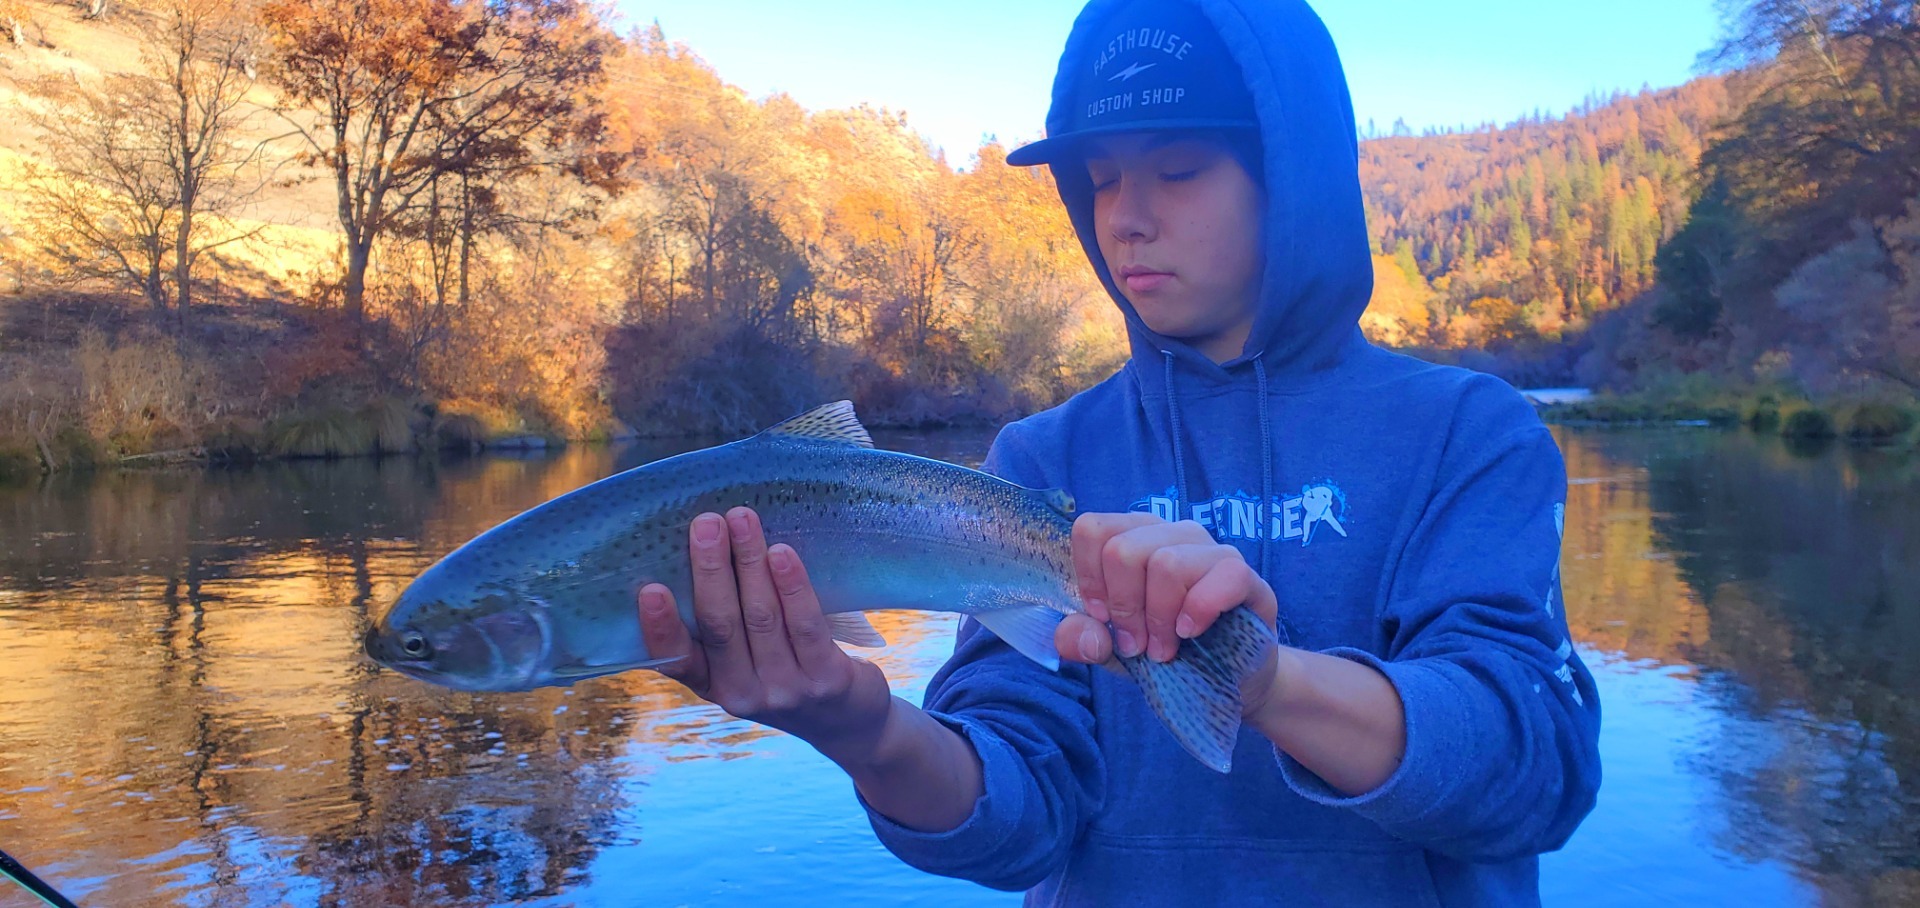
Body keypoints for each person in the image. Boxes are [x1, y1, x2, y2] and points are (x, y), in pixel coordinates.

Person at [634, 0, 1603, 903]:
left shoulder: (1471, 432)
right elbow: (1018, 814)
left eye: (1176, 169)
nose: (1125, 215)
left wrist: (1263, 680)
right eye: (1099, 179)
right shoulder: (1042, 457)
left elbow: (1535, 769)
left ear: (1291, 172)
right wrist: (864, 730)